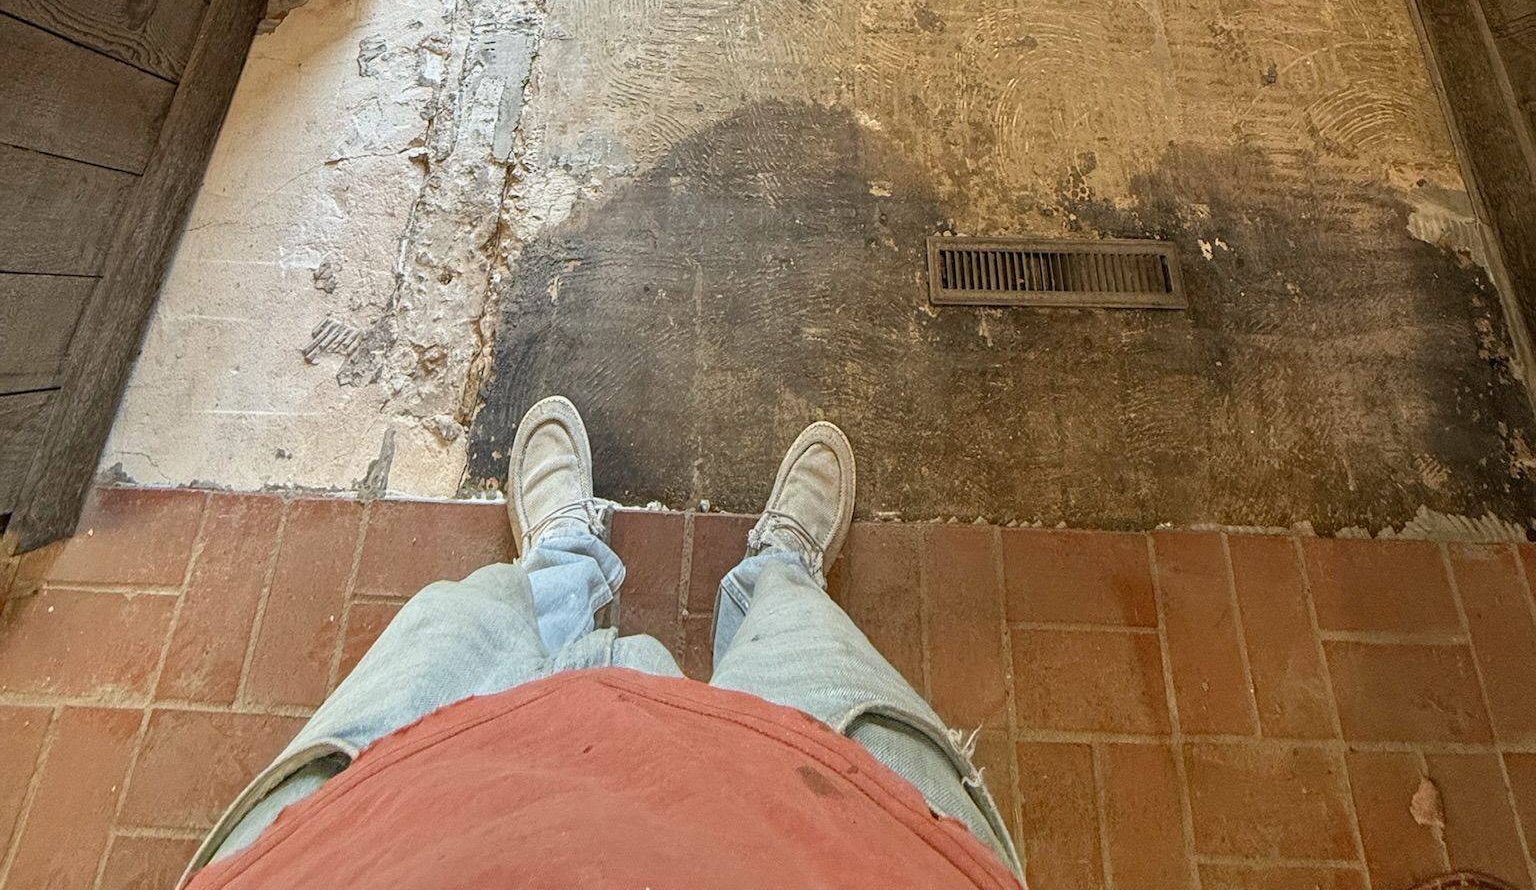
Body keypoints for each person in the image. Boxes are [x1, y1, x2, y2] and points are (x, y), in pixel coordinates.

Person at [187, 398, 1023, 886]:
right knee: (815, 656)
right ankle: (780, 573)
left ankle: (559, 562)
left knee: (459, 624)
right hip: (840, 850)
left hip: (372, 841)